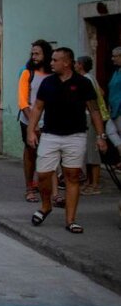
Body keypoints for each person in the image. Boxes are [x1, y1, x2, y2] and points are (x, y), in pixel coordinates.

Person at [27, 47, 108, 234]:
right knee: (43, 174)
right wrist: (32, 130)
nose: (51, 63)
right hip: (50, 135)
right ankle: (46, 206)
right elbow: (37, 108)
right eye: (52, 60)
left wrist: (100, 136)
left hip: (75, 135)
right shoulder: (48, 82)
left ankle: (70, 220)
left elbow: (94, 110)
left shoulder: (83, 83)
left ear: (67, 62)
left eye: (55, 60)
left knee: (72, 176)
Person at [17, 41, 54, 203]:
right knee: (31, 153)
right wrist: (33, 122)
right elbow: (23, 101)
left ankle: (49, 189)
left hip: (49, 121)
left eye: (37, 53)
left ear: (45, 54)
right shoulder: (27, 73)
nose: (34, 56)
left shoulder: (52, 75)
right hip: (28, 119)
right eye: (32, 54)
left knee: (49, 155)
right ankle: (29, 187)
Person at [76, 55, 110, 195]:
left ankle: (95, 184)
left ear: (81, 65)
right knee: (88, 152)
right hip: (87, 117)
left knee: (92, 153)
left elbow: (95, 96)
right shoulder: (90, 78)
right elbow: (101, 92)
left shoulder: (86, 79)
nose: (75, 65)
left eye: (77, 63)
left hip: (90, 117)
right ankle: (90, 182)